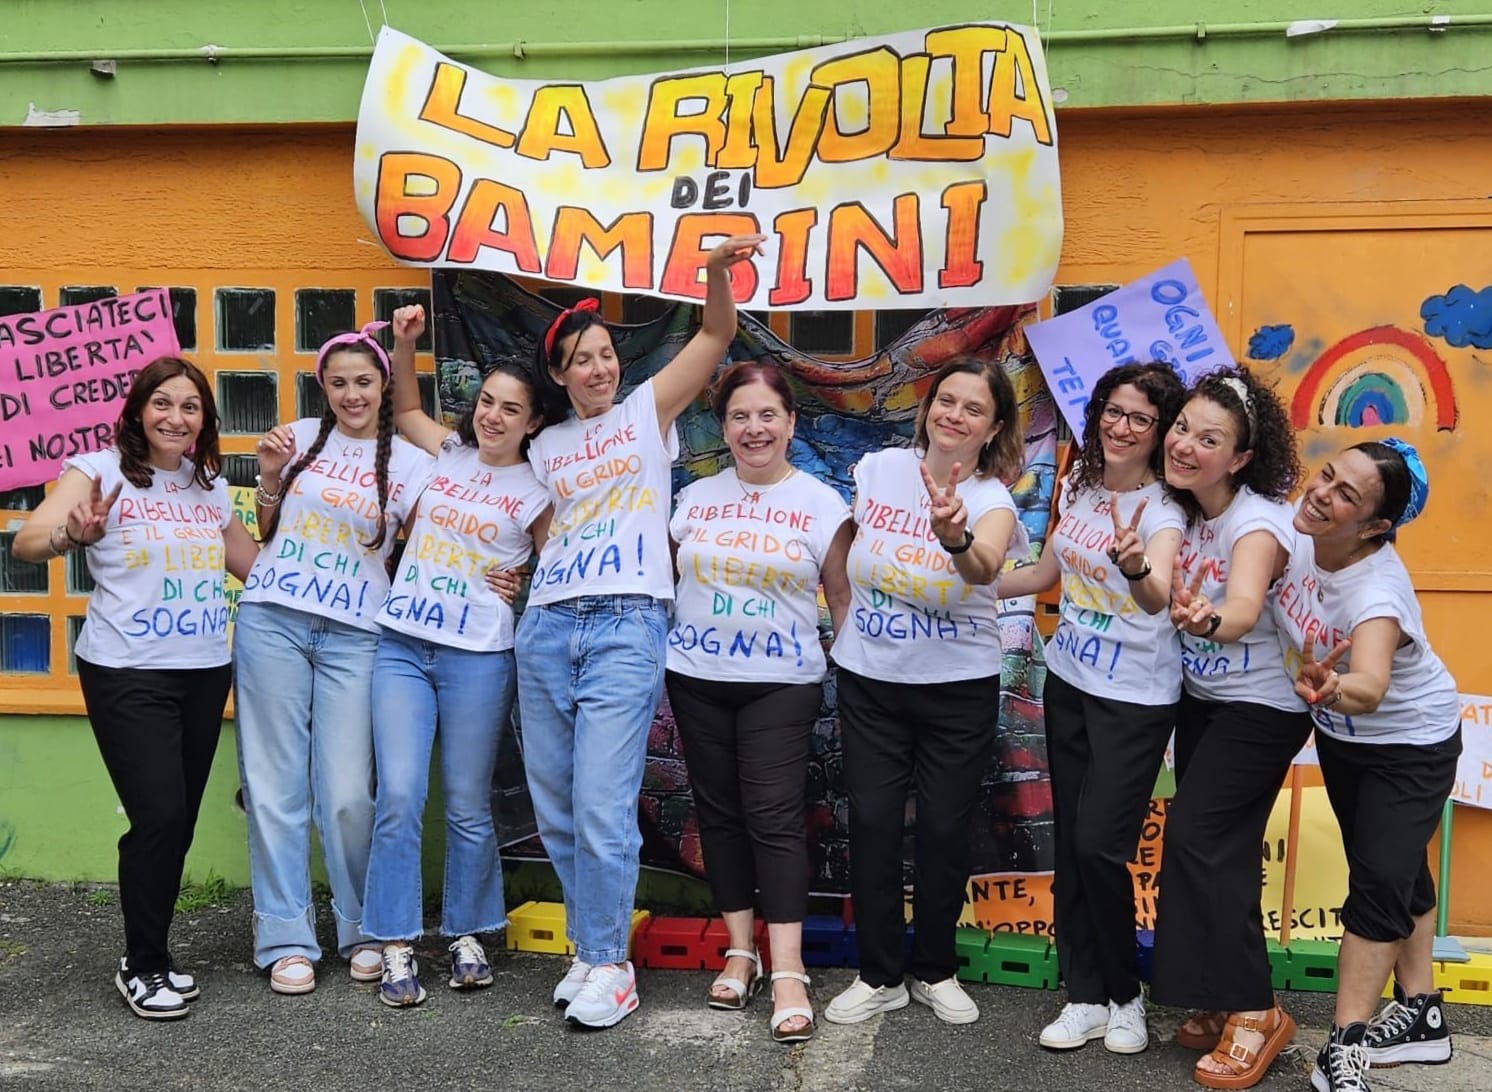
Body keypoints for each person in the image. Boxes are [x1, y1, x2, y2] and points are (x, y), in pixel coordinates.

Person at [518, 233, 766, 1029]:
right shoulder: (545, 445)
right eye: (581, 360)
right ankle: (592, 952)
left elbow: (716, 337)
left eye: (604, 353)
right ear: (558, 377)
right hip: (547, 623)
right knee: (557, 805)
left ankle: (609, 965)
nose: (598, 367)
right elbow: (516, 519)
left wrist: (718, 276)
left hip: (626, 620)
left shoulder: (642, 414)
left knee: (601, 802)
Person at [11, 358, 259, 1019]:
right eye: (163, 404)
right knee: (159, 816)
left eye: (190, 407)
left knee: (172, 825)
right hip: (127, 670)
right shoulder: (96, 470)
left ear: (205, 420)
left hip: (204, 670)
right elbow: (29, 542)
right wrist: (74, 533)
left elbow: (255, 568)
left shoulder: (207, 486)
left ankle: (149, 955)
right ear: (137, 411)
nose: (176, 417)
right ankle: (144, 965)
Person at [821, 355, 1025, 1029]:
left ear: (994, 428)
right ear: (928, 405)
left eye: (973, 408)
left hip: (956, 691)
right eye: (946, 399)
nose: (954, 415)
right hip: (869, 682)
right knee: (875, 826)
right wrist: (843, 612)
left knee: (942, 831)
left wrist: (954, 535)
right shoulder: (878, 469)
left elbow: (986, 566)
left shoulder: (993, 500)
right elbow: (848, 542)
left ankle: (935, 967)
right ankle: (880, 974)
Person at [360, 304, 552, 1007]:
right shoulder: (447, 454)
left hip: (477, 655)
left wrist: (526, 577)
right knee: (400, 795)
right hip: (404, 646)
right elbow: (404, 403)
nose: (493, 417)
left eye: (511, 409)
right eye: (487, 403)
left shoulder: (537, 489)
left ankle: (468, 933)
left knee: (469, 802)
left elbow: (570, 559)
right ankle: (395, 943)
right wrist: (408, 344)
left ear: (533, 422)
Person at [235, 323, 433, 995]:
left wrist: (506, 576)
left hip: (357, 634)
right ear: (324, 386)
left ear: (384, 387)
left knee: (349, 793)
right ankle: (287, 937)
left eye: (365, 382)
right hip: (273, 621)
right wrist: (266, 477)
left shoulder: (411, 462)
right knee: (274, 785)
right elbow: (266, 529)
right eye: (340, 382)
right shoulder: (295, 438)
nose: (353, 394)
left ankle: (362, 925)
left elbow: (452, 536)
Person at [999, 362, 1187, 1055]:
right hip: (1070, 683)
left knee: (1098, 845)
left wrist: (1136, 564)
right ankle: (1085, 995)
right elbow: (1047, 574)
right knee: (1072, 850)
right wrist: (966, 575)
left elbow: (1157, 594)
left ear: (1160, 430)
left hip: (1136, 700)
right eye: (1113, 410)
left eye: (1140, 417)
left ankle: (1125, 995)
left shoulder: (1166, 508)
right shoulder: (1080, 483)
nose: (1121, 426)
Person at [664, 361, 852, 1042]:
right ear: (724, 427)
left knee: (772, 817)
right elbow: (661, 576)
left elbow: (841, 598)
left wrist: (852, 671)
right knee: (719, 815)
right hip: (694, 674)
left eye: (767, 415)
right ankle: (740, 953)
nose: (754, 428)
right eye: (740, 416)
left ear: (791, 423)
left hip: (782, 683)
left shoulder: (821, 503)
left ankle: (789, 969)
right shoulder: (693, 498)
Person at [1272, 440, 1460, 1092]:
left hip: (1409, 744)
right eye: (1327, 474)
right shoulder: (1300, 533)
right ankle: (1421, 1016)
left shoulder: (1378, 589)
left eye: (1346, 494)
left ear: (1375, 527)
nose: (1323, 492)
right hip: (1345, 740)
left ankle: (1343, 1045)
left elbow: (1373, 682)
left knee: (1377, 886)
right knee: (1395, 870)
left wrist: (1335, 688)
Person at [1147, 367, 1307, 1087]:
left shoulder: (1255, 521)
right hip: (1206, 701)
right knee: (1216, 850)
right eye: (1182, 427)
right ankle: (1216, 994)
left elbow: (1242, 604)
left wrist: (1208, 619)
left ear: (1241, 458)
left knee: (1198, 837)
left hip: (1262, 709)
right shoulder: (1194, 512)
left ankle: (1255, 1010)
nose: (1185, 445)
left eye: (1209, 439)